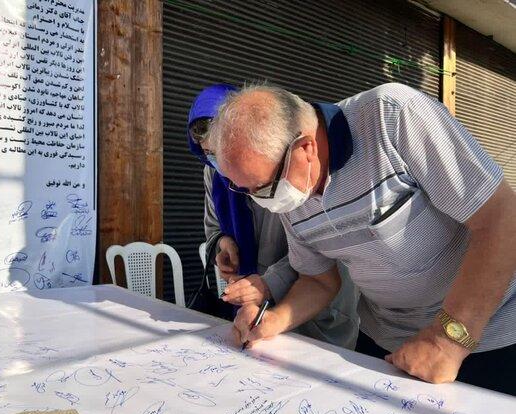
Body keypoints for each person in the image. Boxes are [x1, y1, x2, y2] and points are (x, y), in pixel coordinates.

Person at [206, 82, 516, 394]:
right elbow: (318, 281)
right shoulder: (292, 196)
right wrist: (273, 320)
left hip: (484, 335)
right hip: (386, 341)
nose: (258, 201)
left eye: (260, 187)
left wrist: (447, 341)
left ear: (305, 149)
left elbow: (501, 219)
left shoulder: (391, 117)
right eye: (242, 189)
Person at [187, 84, 359, 349]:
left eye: (220, 150)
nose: (219, 165)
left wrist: (270, 283)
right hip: (261, 308)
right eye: (209, 154)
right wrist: (223, 243)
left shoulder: (294, 179)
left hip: (317, 310)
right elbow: (212, 226)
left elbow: (320, 255)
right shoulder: (219, 176)